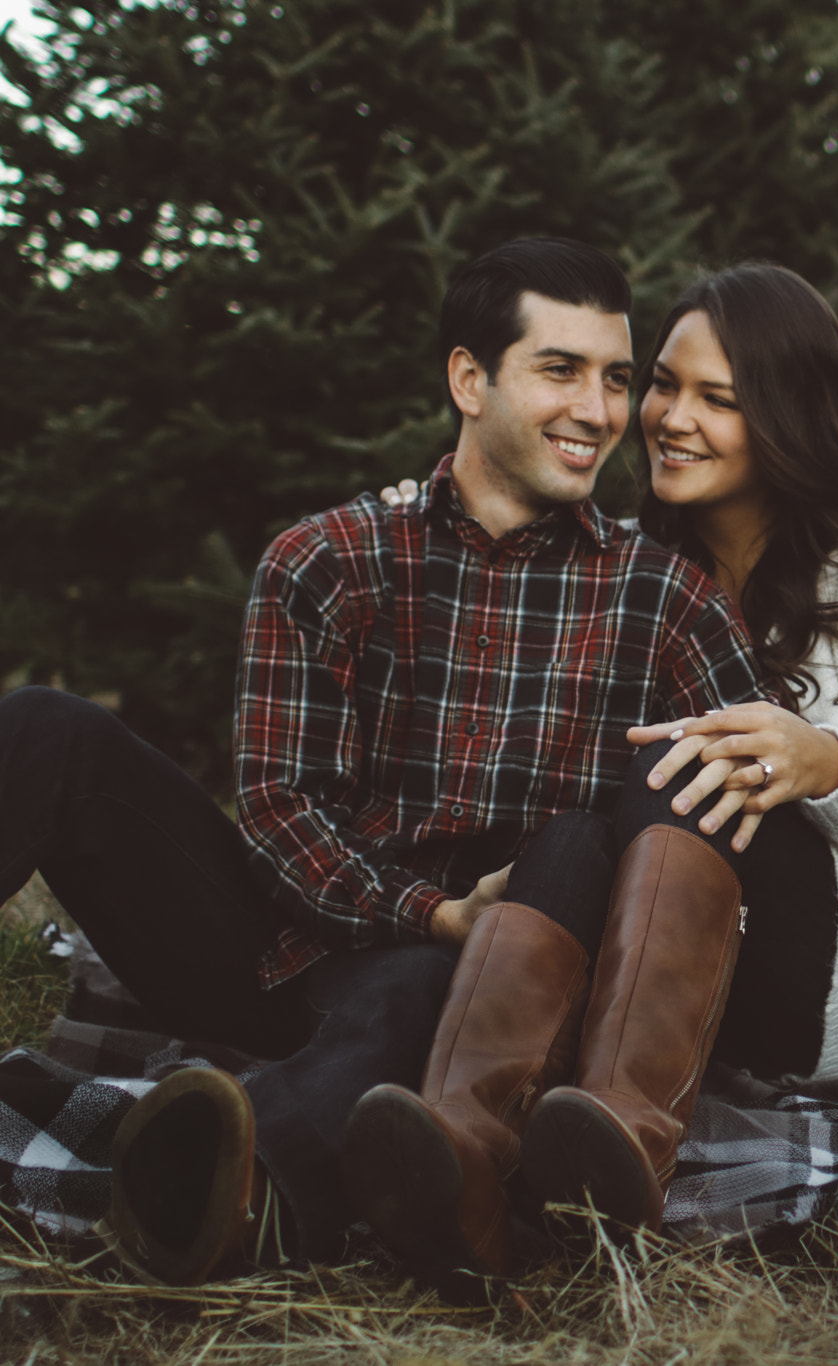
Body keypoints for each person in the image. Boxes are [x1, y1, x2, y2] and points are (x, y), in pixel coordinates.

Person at [0, 236, 775, 1285]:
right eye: (560, 370)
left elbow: (715, 833)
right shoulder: (327, 559)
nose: (599, 411)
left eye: (614, 378)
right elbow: (279, 810)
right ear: (469, 378)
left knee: (423, 982)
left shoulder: (664, 598)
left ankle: (237, 1194)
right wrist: (428, 908)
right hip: (283, 937)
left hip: (486, 996)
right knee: (51, 725)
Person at [350, 263, 838, 1280]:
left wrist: (827, 765)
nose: (669, 418)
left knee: (674, 765)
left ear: (784, 417)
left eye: (718, 400)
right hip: (689, 961)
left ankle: (620, 1149)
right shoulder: (637, 561)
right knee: (568, 834)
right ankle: (460, 1157)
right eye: (663, 384)